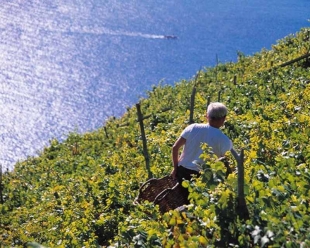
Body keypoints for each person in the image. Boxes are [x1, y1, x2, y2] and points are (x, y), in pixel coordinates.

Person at [171, 102, 233, 202]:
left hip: (182, 172)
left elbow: (175, 147)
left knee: (179, 203)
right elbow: (225, 164)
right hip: (203, 178)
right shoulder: (225, 140)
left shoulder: (193, 128)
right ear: (224, 119)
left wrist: (175, 168)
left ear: (207, 116)